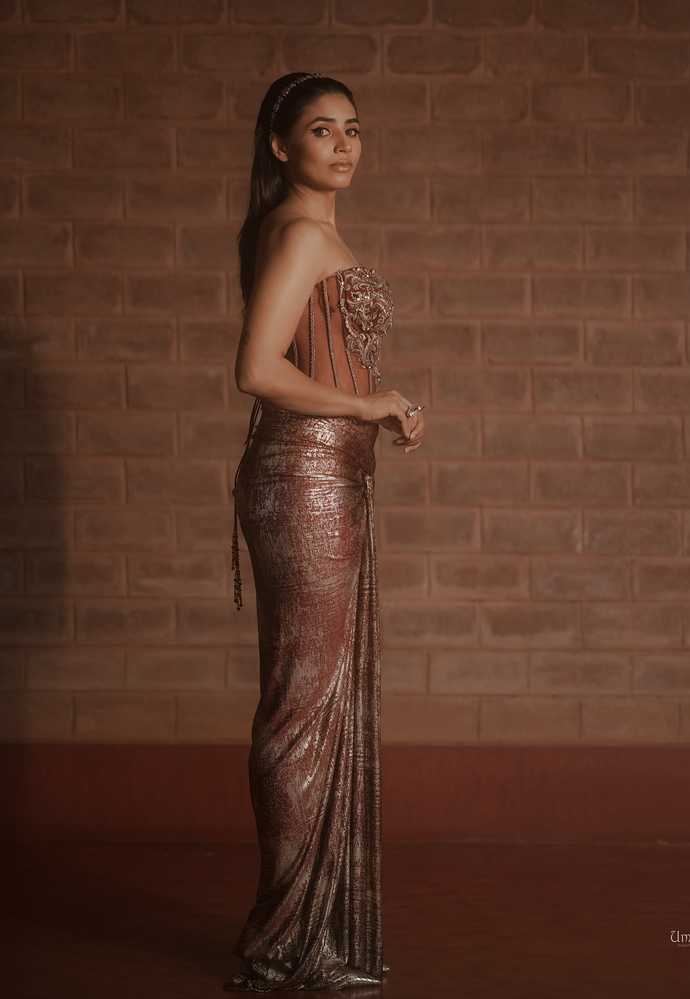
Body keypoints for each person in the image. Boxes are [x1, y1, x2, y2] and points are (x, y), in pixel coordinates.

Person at [224, 72, 427, 992]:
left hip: (331, 472)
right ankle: (285, 940)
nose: (344, 145)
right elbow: (256, 368)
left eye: (354, 129)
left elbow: (318, 356)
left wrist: (380, 410)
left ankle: (313, 931)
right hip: (301, 473)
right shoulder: (302, 233)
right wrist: (366, 403)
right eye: (322, 131)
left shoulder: (311, 232)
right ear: (281, 145)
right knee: (303, 704)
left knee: (319, 698)